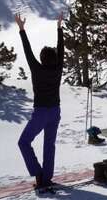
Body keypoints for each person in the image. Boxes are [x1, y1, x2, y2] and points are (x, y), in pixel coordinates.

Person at [16, 12, 64, 191]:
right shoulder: (58, 69)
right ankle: (46, 178)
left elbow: (27, 50)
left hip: (41, 113)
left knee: (23, 142)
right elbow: (62, 48)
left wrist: (22, 29)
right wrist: (59, 28)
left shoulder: (37, 69)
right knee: (49, 145)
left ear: (42, 59)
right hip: (55, 112)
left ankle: (38, 172)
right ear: (55, 58)